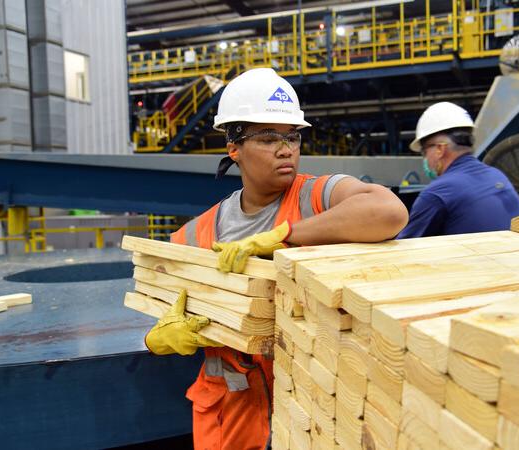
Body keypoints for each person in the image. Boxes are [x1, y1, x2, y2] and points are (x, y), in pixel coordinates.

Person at [144, 68, 409, 450]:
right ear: (233, 148)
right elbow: (160, 308)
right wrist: (157, 339)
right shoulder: (196, 235)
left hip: (312, 412)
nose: (286, 149)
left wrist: (284, 236)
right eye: (268, 138)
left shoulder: (318, 198)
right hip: (233, 420)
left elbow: (390, 213)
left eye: (292, 137)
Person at [397, 102, 519, 238]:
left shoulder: (437, 194)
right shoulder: (497, 176)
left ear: (439, 149)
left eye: (424, 152)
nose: (425, 160)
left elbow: (403, 251)